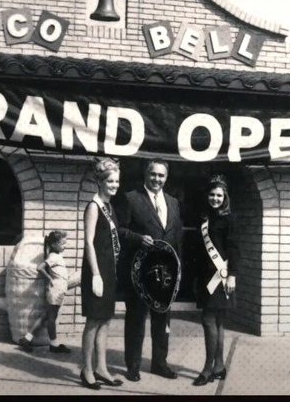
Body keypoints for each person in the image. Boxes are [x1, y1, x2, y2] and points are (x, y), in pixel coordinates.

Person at [116, 158, 183, 382]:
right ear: (146, 174)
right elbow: (119, 230)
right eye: (153, 174)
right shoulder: (130, 198)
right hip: (140, 272)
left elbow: (177, 237)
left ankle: (159, 363)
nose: (157, 179)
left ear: (166, 177)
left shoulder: (173, 202)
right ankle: (133, 366)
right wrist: (137, 238)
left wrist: (177, 271)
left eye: (161, 175)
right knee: (136, 319)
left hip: (165, 274)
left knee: (162, 320)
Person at [80, 158, 124, 390]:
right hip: (95, 271)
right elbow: (88, 243)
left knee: (105, 320)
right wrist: (96, 274)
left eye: (117, 181)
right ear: (100, 182)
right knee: (94, 321)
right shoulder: (94, 206)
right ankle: (86, 369)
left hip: (109, 270)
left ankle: (102, 368)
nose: (114, 185)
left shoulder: (109, 206)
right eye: (110, 181)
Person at [191, 175, 239, 386]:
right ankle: (218, 367)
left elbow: (235, 249)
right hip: (205, 276)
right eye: (212, 194)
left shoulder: (229, 219)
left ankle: (208, 368)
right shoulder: (204, 217)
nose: (215, 198)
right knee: (217, 322)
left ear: (225, 196)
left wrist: (232, 276)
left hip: (221, 277)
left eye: (219, 195)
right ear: (207, 196)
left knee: (208, 320)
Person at [17, 230, 76, 354]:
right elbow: (40, 267)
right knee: (51, 318)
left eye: (65, 243)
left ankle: (27, 338)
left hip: (59, 290)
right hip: (55, 291)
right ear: (54, 244)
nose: (64, 246)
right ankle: (53, 345)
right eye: (62, 244)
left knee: (46, 316)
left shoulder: (57, 256)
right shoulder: (53, 256)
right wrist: (50, 279)